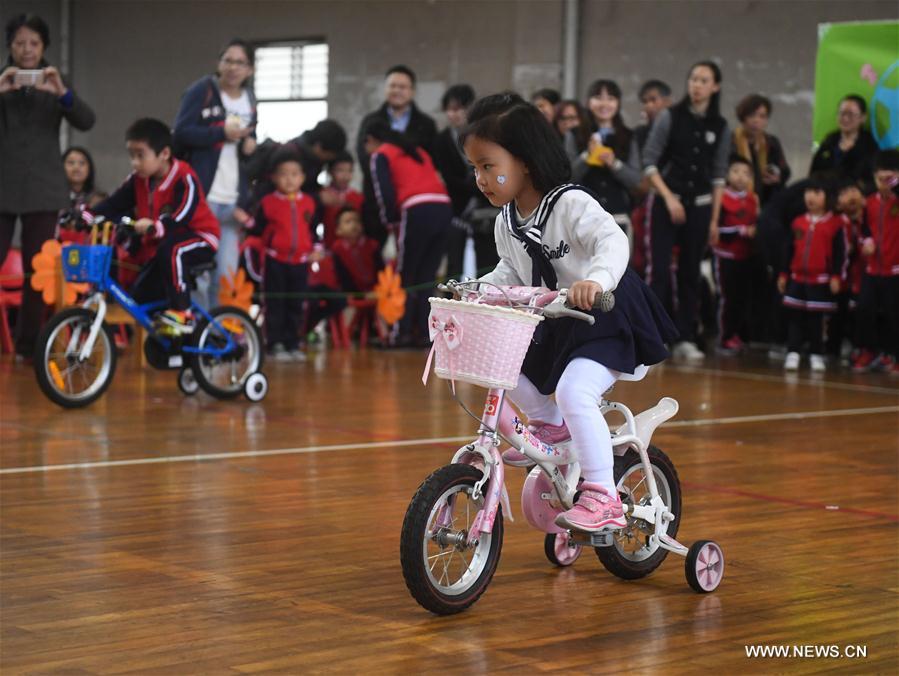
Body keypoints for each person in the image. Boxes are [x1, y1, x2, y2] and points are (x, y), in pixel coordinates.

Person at [462, 93, 677, 531]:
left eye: (488, 165)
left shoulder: (570, 203)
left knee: (575, 392)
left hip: (606, 314)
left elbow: (612, 242)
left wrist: (595, 280)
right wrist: (477, 289)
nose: (480, 178)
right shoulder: (507, 219)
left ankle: (603, 494)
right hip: (559, 319)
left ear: (524, 161)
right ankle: (551, 429)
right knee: (504, 366)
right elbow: (511, 269)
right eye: (474, 168)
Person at [0, 13, 95, 359]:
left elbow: (86, 120)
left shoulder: (55, 83)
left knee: (36, 270)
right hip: (3, 185)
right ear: (9, 46)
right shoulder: (3, 80)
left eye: (34, 43)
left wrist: (62, 91)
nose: (27, 50)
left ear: (44, 47)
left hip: (43, 188)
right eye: (20, 43)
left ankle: (28, 347)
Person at [89, 118, 220, 335]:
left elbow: (183, 213)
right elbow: (113, 203)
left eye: (140, 155)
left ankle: (183, 312)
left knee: (173, 250)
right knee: (141, 296)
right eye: (131, 155)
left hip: (200, 237)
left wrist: (158, 226)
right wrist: (86, 213)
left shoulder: (184, 177)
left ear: (164, 154)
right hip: (161, 244)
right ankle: (174, 342)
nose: (134, 162)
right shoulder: (138, 180)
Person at [642, 60, 730, 361]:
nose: (697, 85)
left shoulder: (720, 126)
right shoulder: (670, 116)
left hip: (702, 206)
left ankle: (685, 337)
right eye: (694, 78)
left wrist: (715, 220)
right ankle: (653, 339)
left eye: (704, 80)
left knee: (691, 272)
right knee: (660, 272)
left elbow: (719, 176)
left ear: (715, 87)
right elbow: (650, 163)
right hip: (667, 201)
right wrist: (669, 198)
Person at [173, 38, 257, 309]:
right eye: (227, 60)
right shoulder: (202, 91)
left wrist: (249, 143)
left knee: (226, 276)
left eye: (239, 62)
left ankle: (218, 339)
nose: (233, 67)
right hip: (203, 197)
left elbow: (247, 138)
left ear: (250, 70)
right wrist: (219, 133)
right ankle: (197, 334)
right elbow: (181, 134)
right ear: (219, 64)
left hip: (232, 200)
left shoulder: (250, 99)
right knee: (200, 274)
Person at [364, 118, 451, 346]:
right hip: (443, 207)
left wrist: (390, 223)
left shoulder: (380, 154)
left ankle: (400, 334)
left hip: (416, 210)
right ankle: (423, 334)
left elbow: (384, 194)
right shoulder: (418, 151)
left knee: (406, 275)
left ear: (371, 140)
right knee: (427, 277)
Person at [247, 149, 318, 362]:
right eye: (284, 174)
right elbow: (257, 230)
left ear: (303, 177)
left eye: (295, 174)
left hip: (300, 263)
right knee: (275, 303)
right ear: (274, 177)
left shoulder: (309, 203)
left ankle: (292, 343)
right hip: (275, 261)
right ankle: (274, 343)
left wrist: (315, 249)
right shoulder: (268, 203)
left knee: (296, 304)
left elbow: (312, 230)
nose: (289, 179)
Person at [356, 65, 438, 242]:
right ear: (385, 89)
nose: (397, 91)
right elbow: (364, 157)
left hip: (415, 202)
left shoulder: (426, 124)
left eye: (402, 87)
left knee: (412, 259)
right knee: (376, 257)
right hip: (376, 201)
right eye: (392, 86)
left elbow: (430, 162)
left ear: (412, 91)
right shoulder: (371, 121)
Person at [777, 177, 847, 372]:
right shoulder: (798, 222)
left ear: (827, 197)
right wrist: (783, 274)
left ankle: (817, 353)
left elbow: (840, 253)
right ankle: (793, 352)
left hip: (820, 280)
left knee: (816, 320)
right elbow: (788, 250)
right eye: (808, 192)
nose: (811, 197)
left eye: (817, 193)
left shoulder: (835, 224)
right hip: (797, 278)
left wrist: (836, 276)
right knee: (795, 317)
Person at [433, 83, 498, 280]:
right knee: (455, 264)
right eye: (450, 109)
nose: (455, 114)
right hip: (457, 210)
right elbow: (447, 177)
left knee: (487, 264)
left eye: (460, 108)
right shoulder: (441, 140)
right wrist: (472, 186)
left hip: (486, 209)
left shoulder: (484, 136)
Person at [565, 79, 641, 232]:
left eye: (610, 98)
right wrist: (587, 156)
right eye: (598, 98)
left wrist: (615, 164)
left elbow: (635, 180)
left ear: (618, 103)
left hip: (618, 216)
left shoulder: (628, 136)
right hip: (583, 216)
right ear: (588, 102)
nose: (604, 104)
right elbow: (567, 176)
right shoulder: (574, 134)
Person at [853, 150, 899, 375]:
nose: (885, 184)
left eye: (890, 179)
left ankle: (894, 355)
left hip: (895, 270)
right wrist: (866, 242)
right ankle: (868, 350)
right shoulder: (868, 203)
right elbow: (863, 230)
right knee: (865, 309)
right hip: (872, 269)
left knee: (894, 313)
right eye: (881, 179)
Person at [712, 156, 758, 354]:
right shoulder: (721, 198)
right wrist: (741, 230)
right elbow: (717, 230)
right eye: (736, 171)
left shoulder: (752, 199)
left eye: (746, 173)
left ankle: (736, 334)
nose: (741, 177)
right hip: (725, 256)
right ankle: (724, 336)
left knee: (741, 298)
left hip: (745, 256)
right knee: (727, 297)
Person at [809, 94, 879, 194]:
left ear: (863, 118)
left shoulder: (869, 144)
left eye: (851, 114)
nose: (845, 118)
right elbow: (814, 172)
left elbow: (871, 180)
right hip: (825, 196)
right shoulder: (829, 140)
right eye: (842, 113)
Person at [731, 94, 791, 206]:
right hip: (734, 200)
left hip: (766, 201)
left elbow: (785, 170)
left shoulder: (771, 142)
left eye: (762, 116)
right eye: (752, 115)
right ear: (743, 117)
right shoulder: (731, 141)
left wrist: (776, 177)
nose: (756, 121)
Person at [330, 206, 383, 293]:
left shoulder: (372, 245)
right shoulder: (337, 250)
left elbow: (380, 271)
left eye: (356, 221)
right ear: (338, 230)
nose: (353, 225)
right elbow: (342, 278)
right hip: (353, 296)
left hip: (377, 292)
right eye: (348, 222)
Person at [320, 150, 364, 248]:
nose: (345, 176)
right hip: (330, 249)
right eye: (340, 170)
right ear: (330, 172)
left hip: (354, 251)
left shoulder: (358, 198)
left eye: (349, 171)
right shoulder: (323, 196)